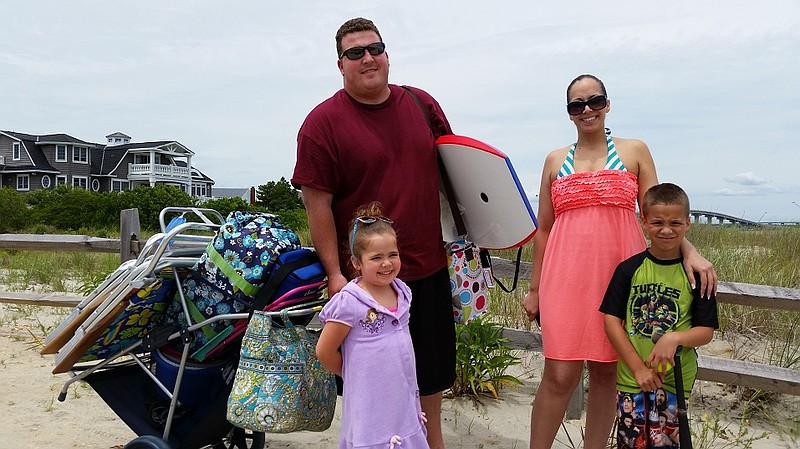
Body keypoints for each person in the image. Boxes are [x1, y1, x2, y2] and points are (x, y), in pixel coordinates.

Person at [521, 74, 717, 449]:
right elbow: (544, 229)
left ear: (608, 103)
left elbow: (658, 214)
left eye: (594, 101)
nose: (587, 110)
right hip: (564, 280)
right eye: (576, 105)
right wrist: (534, 288)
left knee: (607, 372)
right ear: (569, 113)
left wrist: (690, 252)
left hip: (621, 279)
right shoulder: (554, 160)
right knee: (559, 376)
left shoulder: (635, 151)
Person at [291, 17, 454, 449]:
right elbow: (316, 204)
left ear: (387, 54)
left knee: (430, 379)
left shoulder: (421, 104)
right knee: (370, 388)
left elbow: (456, 169)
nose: (368, 58)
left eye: (375, 48)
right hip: (365, 284)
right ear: (340, 65)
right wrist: (335, 275)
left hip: (425, 267)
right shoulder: (322, 123)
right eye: (355, 52)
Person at [600, 183, 719, 448]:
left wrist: (673, 338)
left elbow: (706, 331)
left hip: (676, 381)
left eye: (676, 222)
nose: (666, 230)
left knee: (669, 442)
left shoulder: (698, 276)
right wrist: (638, 368)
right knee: (632, 442)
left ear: (688, 224)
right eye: (657, 222)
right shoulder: (628, 269)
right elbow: (611, 322)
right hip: (633, 379)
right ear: (644, 222)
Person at [316, 201, 429, 449]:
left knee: (404, 430)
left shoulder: (402, 292)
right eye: (376, 258)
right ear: (357, 262)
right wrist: (354, 373)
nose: (387, 263)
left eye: (392, 255)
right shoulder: (350, 301)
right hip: (369, 400)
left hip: (401, 391)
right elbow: (324, 351)